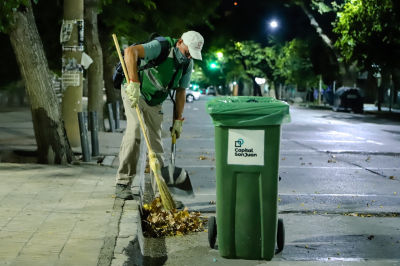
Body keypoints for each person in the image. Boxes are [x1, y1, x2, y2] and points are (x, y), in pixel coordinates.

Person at [115, 31, 204, 199]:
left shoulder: (186, 64)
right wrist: (133, 83)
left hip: (155, 100)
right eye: (188, 52)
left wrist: (178, 121)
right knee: (134, 132)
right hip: (134, 91)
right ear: (179, 43)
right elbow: (130, 52)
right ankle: (123, 183)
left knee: (156, 145)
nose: (189, 57)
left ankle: (160, 194)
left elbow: (181, 91)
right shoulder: (160, 46)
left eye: (193, 55)